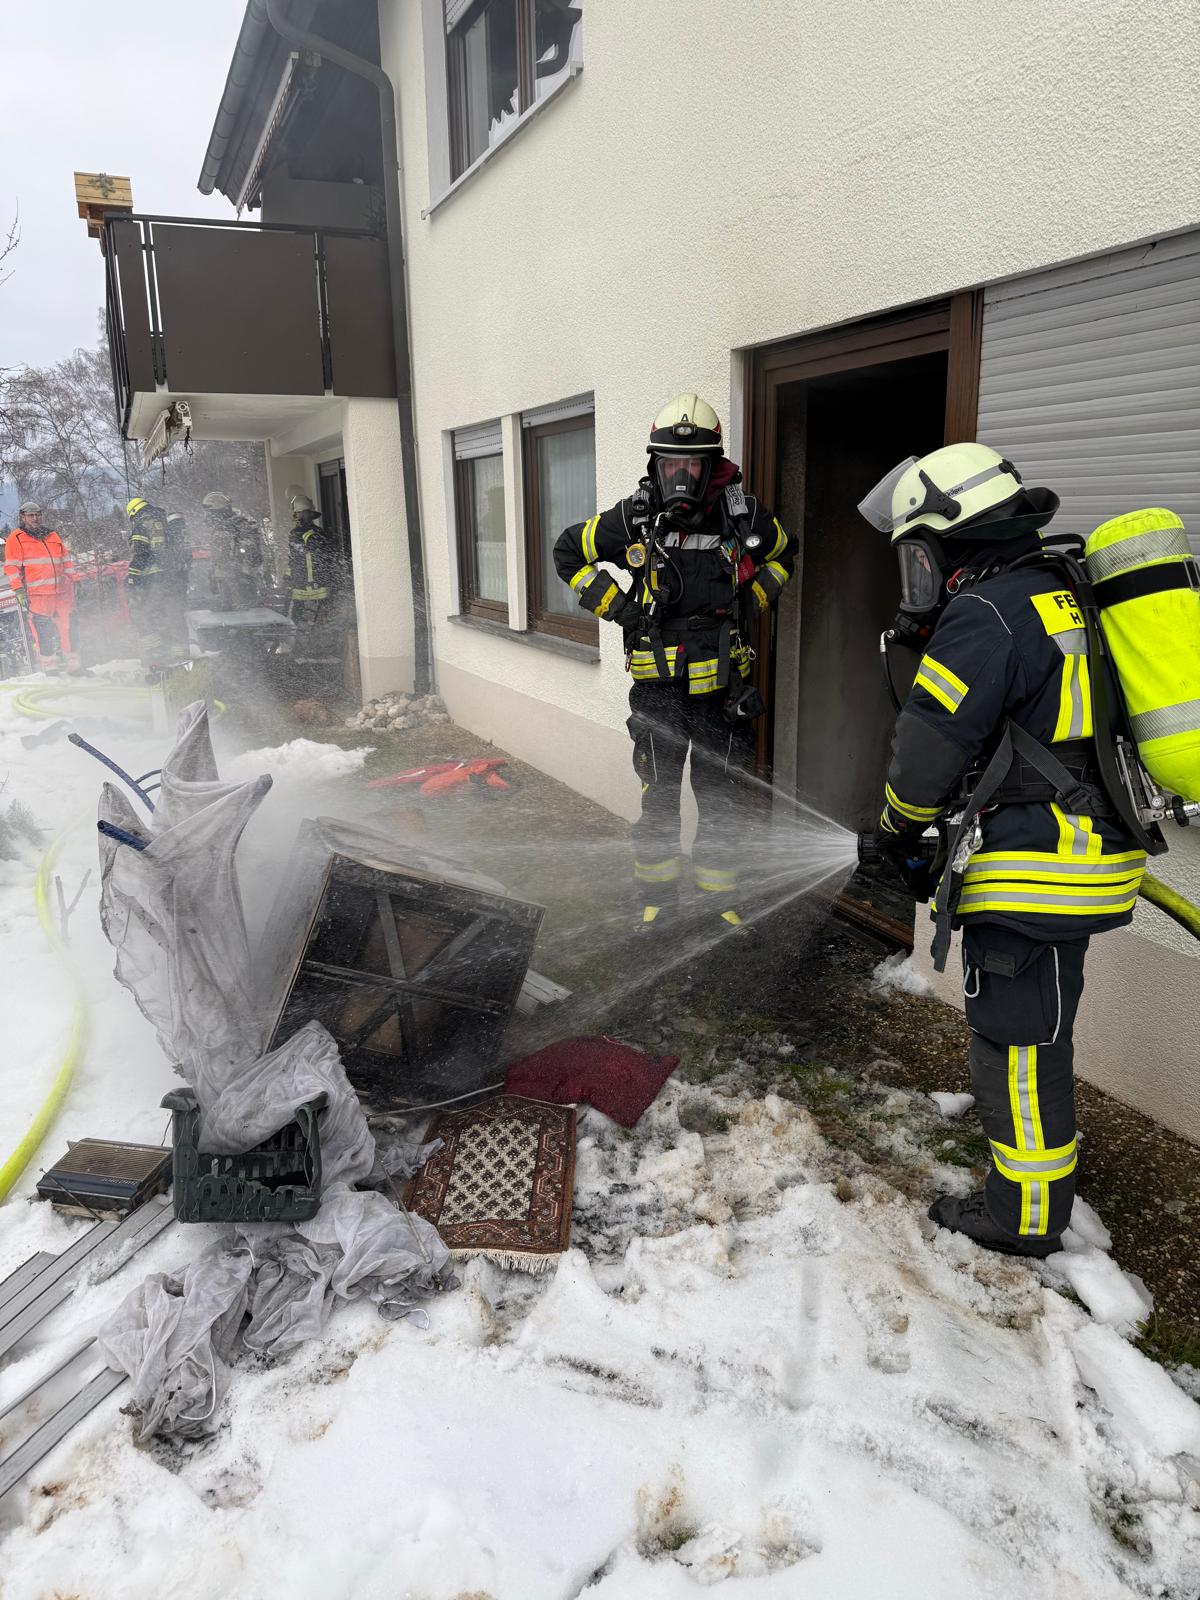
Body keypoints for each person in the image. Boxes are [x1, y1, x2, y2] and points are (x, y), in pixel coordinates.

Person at [859, 442, 1148, 1257]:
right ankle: (1038, 1187)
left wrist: (895, 826)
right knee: (1041, 1033)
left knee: (1015, 1048)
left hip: (1035, 867)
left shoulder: (983, 613)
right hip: (1081, 857)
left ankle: (1024, 1217)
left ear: (952, 545)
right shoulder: (1062, 592)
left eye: (917, 556)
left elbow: (928, 749)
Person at [554, 394, 794, 932]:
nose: (680, 474)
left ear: (711, 465)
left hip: (724, 695)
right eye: (670, 464)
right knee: (658, 800)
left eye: (691, 464)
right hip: (657, 693)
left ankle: (718, 901)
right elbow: (567, 553)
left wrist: (755, 600)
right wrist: (615, 606)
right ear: (654, 465)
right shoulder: (632, 517)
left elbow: (784, 554)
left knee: (721, 801)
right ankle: (657, 899)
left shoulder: (743, 515)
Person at [3, 501, 78, 670]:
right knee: (43, 633)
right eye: (31, 515)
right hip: (37, 596)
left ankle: (74, 666)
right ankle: (50, 669)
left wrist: (73, 580)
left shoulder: (52, 535)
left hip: (61, 593)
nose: (35, 518)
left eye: (37, 514)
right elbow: (11, 567)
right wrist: (19, 590)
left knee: (70, 628)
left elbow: (66, 560)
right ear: (23, 517)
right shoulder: (16, 539)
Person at [124, 497, 170, 665]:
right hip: (166, 577)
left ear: (134, 513)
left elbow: (141, 554)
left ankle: (155, 654)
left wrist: (132, 576)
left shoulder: (141, 525)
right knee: (161, 614)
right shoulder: (162, 522)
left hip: (150, 579)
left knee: (142, 615)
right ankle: (167, 650)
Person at [201, 490, 263, 610]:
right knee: (228, 614)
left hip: (240, 582)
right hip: (225, 582)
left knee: (244, 618)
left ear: (219, 511)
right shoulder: (220, 528)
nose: (208, 517)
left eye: (210, 513)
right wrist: (214, 574)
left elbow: (250, 552)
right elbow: (219, 556)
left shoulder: (241, 525)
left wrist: (244, 575)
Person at [286, 493, 341, 623]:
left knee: (299, 620)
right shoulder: (319, 532)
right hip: (316, 586)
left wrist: (291, 580)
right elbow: (295, 559)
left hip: (307, 586)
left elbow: (300, 558)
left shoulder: (299, 534)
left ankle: (303, 639)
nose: (297, 517)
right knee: (318, 621)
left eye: (298, 514)